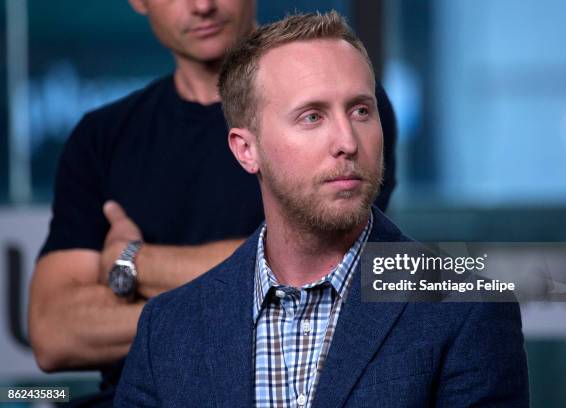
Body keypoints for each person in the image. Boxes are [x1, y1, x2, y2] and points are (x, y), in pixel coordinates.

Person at [115, 11, 529, 407]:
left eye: (361, 111)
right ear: (246, 150)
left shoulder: (466, 308)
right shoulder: (168, 331)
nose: (347, 141)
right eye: (312, 117)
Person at [27, 0, 397, 405]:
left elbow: (319, 262)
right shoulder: (102, 137)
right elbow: (53, 333)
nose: (202, 5)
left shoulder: (342, 106)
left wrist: (131, 261)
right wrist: (215, 310)